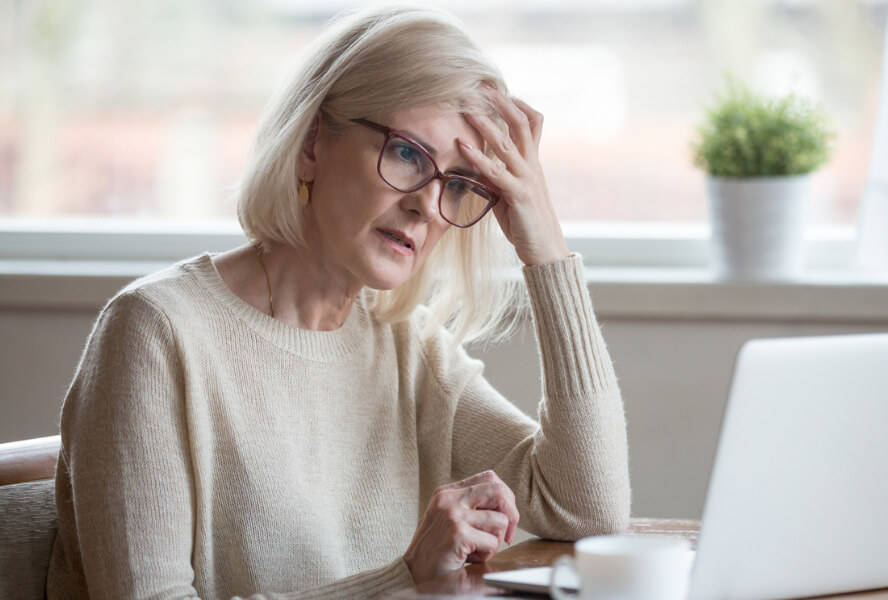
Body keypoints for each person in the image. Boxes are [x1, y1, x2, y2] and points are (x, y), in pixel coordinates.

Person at [46, 6, 630, 600]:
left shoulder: (409, 346)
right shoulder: (155, 333)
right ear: (309, 144)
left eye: (458, 184)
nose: (429, 206)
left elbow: (587, 506)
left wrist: (546, 249)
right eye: (408, 154)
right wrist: (401, 581)